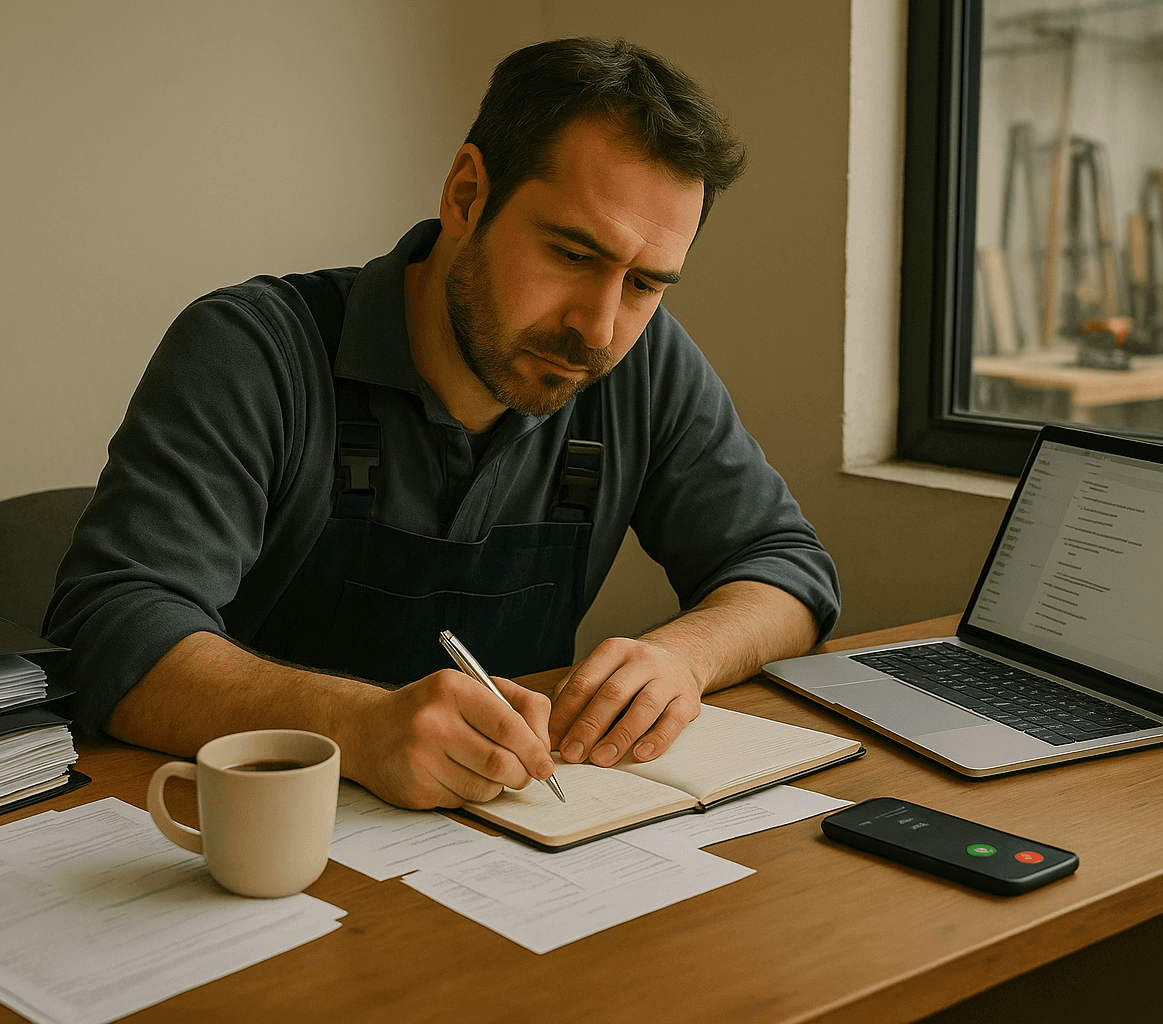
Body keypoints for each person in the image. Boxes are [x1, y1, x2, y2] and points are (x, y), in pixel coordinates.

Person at [46, 37, 839, 810]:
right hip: (263, 834)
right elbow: (109, 628)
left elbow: (788, 570)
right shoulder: (255, 349)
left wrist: (680, 658)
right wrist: (355, 725)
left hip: (510, 843)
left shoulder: (645, 362)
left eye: (644, 284)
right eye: (572, 255)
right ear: (466, 194)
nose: (599, 329)